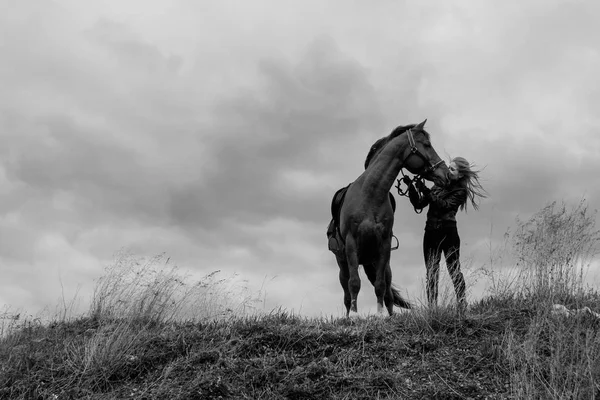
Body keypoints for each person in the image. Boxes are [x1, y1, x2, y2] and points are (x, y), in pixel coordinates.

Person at [404, 157, 487, 311]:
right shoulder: (438, 185)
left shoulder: (461, 191)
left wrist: (426, 191)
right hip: (430, 232)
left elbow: (445, 206)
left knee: (454, 270)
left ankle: (462, 304)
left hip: (448, 233)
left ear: (461, 175)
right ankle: (432, 308)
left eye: (452, 169)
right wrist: (411, 188)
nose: (448, 171)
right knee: (431, 271)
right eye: (449, 167)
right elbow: (419, 204)